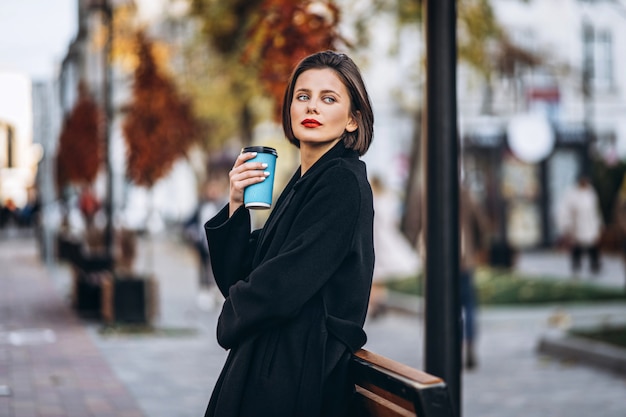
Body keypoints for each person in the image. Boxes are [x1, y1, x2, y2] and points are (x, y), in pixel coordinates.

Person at [202, 51, 375, 417]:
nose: (312, 107)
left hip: (298, 374)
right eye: (303, 96)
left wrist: (232, 313)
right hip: (278, 364)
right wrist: (236, 204)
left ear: (352, 120)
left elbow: (285, 283)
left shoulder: (342, 182)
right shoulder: (303, 182)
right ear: (290, 109)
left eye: (329, 99)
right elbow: (242, 276)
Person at [368, 175, 421, 318]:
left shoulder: (376, 199)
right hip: (383, 236)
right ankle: (377, 302)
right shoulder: (389, 198)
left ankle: (376, 303)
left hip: (378, 238)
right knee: (377, 274)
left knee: (375, 273)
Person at [459, 186, 491, 370]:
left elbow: (414, 223)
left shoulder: (429, 189)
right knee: (469, 305)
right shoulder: (466, 193)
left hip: (438, 264)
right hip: (465, 259)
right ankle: (469, 343)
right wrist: (477, 247)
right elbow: (482, 225)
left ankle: (454, 346)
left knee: (447, 307)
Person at [184, 178, 227, 310]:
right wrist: (193, 234)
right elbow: (188, 223)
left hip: (218, 245)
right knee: (203, 269)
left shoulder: (222, 206)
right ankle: (204, 293)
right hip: (203, 244)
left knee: (217, 269)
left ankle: (216, 293)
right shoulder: (201, 206)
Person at [557, 175, 603, 275]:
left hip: (590, 224)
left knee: (592, 246)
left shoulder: (590, 192)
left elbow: (595, 210)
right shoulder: (571, 193)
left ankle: (594, 265)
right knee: (576, 247)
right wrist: (567, 225)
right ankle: (576, 266)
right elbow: (565, 210)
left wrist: (598, 225)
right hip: (577, 225)